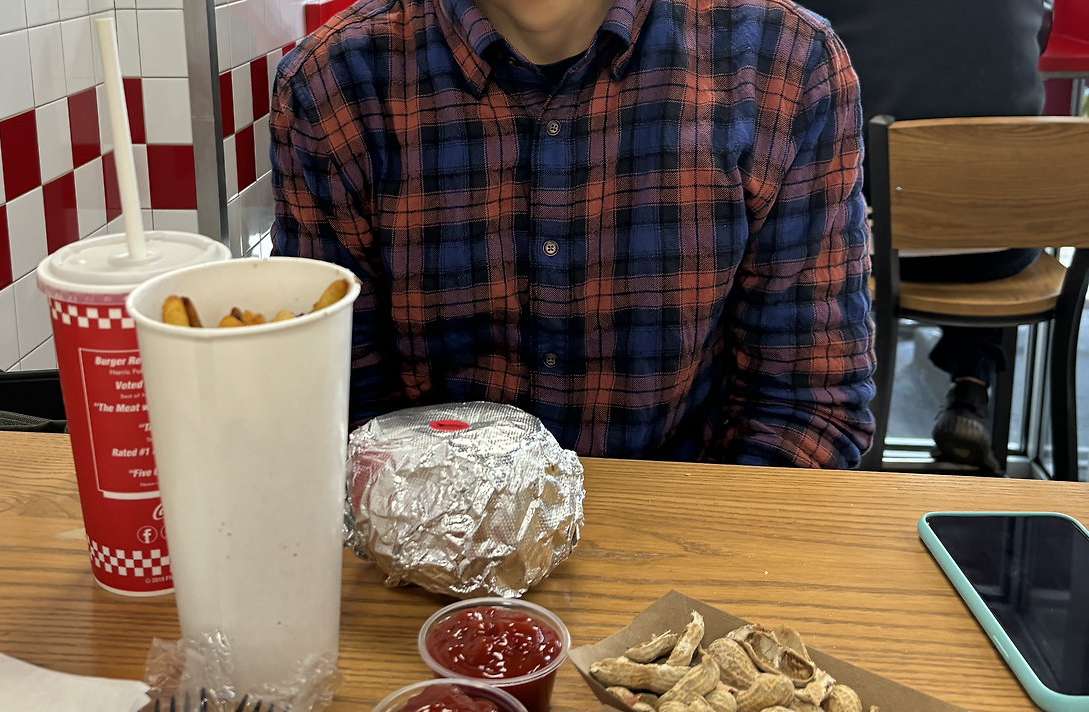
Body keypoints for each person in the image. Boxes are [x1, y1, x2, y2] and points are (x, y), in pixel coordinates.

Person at [270, 0, 875, 466]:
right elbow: (340, 411)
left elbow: (807, 405)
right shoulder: (334, 84)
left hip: (694, 538)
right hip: (420, 557)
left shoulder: (784, 63)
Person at [803, 0, 1046, 471]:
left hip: (871, 235)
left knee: (803, 213)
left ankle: (834, 411)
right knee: (979, 193)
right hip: (1002, 246)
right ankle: (971, 390)